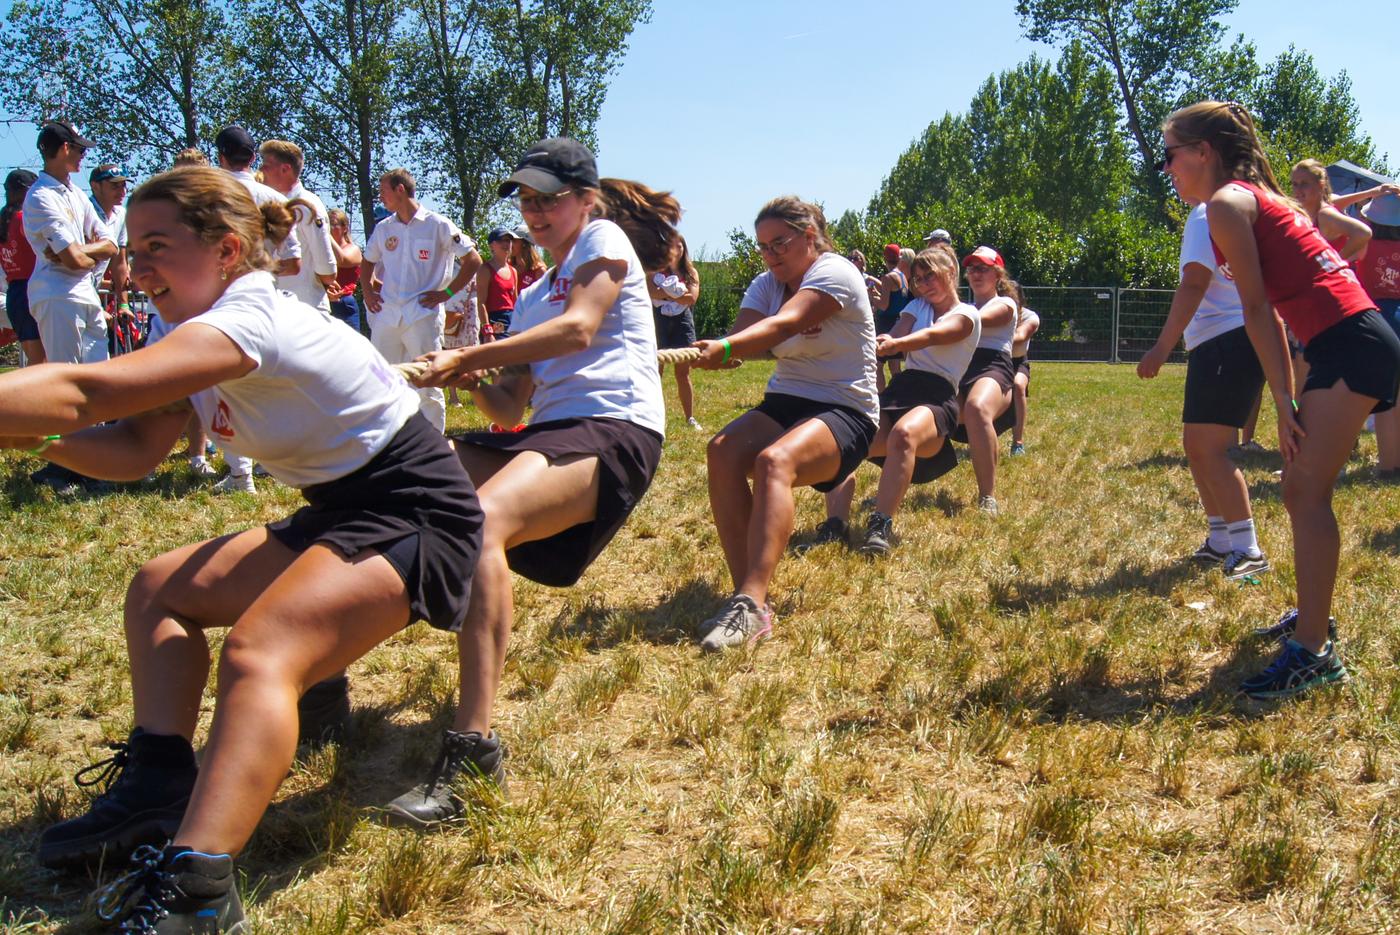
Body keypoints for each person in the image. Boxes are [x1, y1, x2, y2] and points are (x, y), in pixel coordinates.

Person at [8, 167, 481, 932]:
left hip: (418, 510)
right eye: (133, 247)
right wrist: (44, 436)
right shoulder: (191, 327)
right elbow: (134, 445)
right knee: (160, 587)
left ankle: (198, 889)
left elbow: (88, 392)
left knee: (262, 651)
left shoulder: (249, 316)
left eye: (158, 245)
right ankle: (160, 784)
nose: (139, 264)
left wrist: (47, 415)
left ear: (228, 249)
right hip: (342, 508)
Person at [379, 139, 668, 827]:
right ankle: (323, 681)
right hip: (551, 431)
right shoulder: (535, 291)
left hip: (614, 425)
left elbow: (580, 330)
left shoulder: (604, 239)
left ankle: (473, 751)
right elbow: (512, 407)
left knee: (480, 521)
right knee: (402, 481)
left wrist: (472, 351)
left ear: (584, 199)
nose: (535, 211)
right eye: (527, 200)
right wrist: (472, 374)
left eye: (549, 197)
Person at [1162, 100, 1399, 699]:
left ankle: (1315, 653)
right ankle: (1314, 621)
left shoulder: (1225, 203)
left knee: (1302, 489)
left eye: (1172, 155)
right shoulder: (1258, 197)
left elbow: (1258, 309)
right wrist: (1288, 395)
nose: (1168, 169)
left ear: (1203, 153)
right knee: (1301, 485)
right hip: (1350, 341)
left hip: (1352, 344)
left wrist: (1282, 400)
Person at [691, 195, 877, 651]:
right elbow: (748, 333)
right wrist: (725, 351)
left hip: (846, 407)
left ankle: (751, 604)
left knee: (776, 461)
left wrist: (732, 348)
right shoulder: (766, 283)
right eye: (763, 247)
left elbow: (786, 323)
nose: (770, 255)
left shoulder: (836, 273)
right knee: (722, 451)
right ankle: (748, 598)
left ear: (809, 238)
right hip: (787, 400)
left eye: (780, 244)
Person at [1137, 196, 1270, 581]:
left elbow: (1194, 282)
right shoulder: (1234, 211)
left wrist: (1162, 348)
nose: (1169, 170)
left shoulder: (1204, 213)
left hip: (1224, 341)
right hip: (1227, 340)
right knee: (1198, 447)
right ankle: (1222, 539)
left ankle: (1247, 549)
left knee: (1209, 449)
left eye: (1174, 157)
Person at [827, 243, 980, 555]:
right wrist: (883, 340)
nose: (923, 284)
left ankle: (879, 525)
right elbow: (898, 329)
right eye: (919, 279)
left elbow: (934, 336)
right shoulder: (916, 307)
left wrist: (897, 343)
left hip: (938, 396)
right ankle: (835, 524)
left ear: (950, 273)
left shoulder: (967, 314)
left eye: (930, 276)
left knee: (904, 434)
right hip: (903, 387)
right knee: (849, 440)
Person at [214, 125, 303, 494]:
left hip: (224, 300)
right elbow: (295, 263)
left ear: (221, 157)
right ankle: (271, 462)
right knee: (266, 384)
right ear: (253, 159)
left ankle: (241, 475)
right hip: (266, 300)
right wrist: (261, 270)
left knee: (226, 388)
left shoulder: (211, 193)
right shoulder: (271, 196)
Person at [360, 168, 482, 433]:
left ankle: (434, 442)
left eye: (384, 191)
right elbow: (367, 261)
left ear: (400, 190)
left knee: (429, 380)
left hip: (422, 313)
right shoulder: (384, 228)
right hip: (389, 313)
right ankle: (386, 440)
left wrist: (446, 294)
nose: (381, 197)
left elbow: (473, 260)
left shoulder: (438, 224)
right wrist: (368, 292)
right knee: (382, 378)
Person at [958, 246, 1018, 514]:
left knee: (977, 408)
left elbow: (975, 322)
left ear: (997, 274)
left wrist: (947, 317)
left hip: (993, 366)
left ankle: (987, 496)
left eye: (982, 268)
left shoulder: (1005, 304)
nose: (975, 274)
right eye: (971, 269)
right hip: (961, 368)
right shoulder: (964, 308)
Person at [258, 139, 339, 313]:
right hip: (275, 307)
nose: (261, 170)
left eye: (266, 165)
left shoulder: (307, 205)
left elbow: (327, 270)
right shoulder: (269, 202)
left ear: (285, 169)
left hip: (306, 307)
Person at [651, 233, 704, 430]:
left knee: (683, 373)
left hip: (682, 322)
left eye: (680, 246)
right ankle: (653, 417)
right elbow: (650, 292)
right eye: (673, 246)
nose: (677, 249)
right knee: (655, 371)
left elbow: (690, 299)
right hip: (658, 322)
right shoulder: (653, 270)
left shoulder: (691, 272)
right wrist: (675, 293)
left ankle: (690, 418)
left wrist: (664, 293)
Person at [87, 164, 133, 344]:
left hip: (92, 294)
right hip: (72, 291)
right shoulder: (84, 210)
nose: (122, 190)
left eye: (123, 185)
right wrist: (96, 308)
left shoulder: (120, 214)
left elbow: (119, 262)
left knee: (96, 358)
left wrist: (123, 304)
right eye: (114, 185)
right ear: (95, 186)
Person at [1, 169, 41, 366]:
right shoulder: (23, 219)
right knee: (43, 363)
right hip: (32, 290)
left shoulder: (3, 220)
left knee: (35, 361)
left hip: (15, 294)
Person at [872, 243, 911, 391]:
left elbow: (883, 305)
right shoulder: (902, 276)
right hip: (898, 322)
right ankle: (900, 394)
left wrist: (870, 295)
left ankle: (881, 398)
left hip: (886, 324)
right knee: (895, 366)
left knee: (878, 365)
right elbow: (894, 300)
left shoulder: (888, 277)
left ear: (885, 258)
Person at [1008, 283, 1039, 457]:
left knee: (1018, 386)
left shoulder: (1030, 316)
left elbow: (1020, 337)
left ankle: (1017, 442)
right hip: (992, 362)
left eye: (1011, 296)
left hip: (1018, 363)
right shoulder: (989, 311)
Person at [476, 226, 520, 338]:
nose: (506, 244)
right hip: (494, 319)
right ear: (491, 245)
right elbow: (481, 302)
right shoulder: (485, 269)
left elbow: (515, 301)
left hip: (511, 319)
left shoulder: (513, 271)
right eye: (501, 240)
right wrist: (487, 330)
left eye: (508, 240)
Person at [327, 207, 363, 330]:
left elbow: (342, 260)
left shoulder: (353, 249)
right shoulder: (322, 251)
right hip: (326, 302)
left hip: (344, 304)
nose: (329, 228)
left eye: (333, 224)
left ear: (345, 228)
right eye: (327, 224)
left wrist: (325, 234)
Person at [509, 223, 548, 292]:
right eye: (509, 240)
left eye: (514, 240)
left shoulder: (539, 271)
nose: (510, 244)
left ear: (524, 243)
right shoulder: (507, 266)